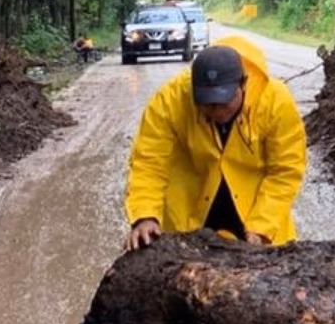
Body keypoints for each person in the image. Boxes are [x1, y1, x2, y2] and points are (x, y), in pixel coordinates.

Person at [123, 37, 307, 251]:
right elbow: (149, 163)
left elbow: (286, 170)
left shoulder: (275, 100)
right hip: (192, 210)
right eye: (208, 104)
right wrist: (145, 216)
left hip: (255, 210)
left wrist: (262, 226)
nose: (218, 112)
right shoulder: (170, 100)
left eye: (224, 102)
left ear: (243, 84)